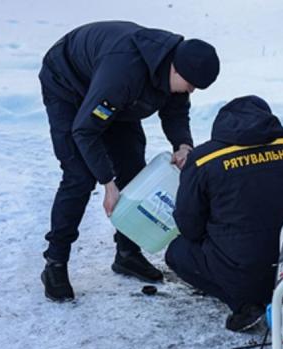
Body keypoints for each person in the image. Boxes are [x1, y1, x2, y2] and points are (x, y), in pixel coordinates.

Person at [38, 21, 220, 302]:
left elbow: (176, 113)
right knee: (79, 177)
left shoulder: (178, 68)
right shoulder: (123, 73)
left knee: (133, 169)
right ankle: (55, 263)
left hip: (115, 97)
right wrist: (108, 183)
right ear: (175, 68)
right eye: (190, 84)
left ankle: (127, 253)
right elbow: (85, 130)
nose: (191, 91)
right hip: (67, 82)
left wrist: (183, 145)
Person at [165, 95, 283, 332]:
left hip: (242, 270)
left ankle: (244, 304)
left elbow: (189, 226)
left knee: (177, 252)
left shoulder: (204, 159)